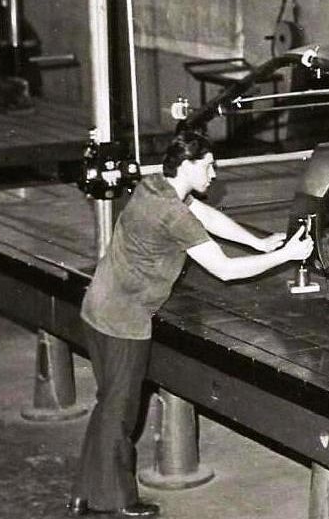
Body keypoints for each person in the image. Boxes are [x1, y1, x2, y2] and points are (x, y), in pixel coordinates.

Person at [69, 130, 314, 517]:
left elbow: (205, 214)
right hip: (123, 320)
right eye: (208, 165)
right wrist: (286, 255)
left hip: (98, 306)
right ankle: (114, 501)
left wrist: (259, 242)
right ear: (186, 165)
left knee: (108, 404)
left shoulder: (156, 186)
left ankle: (86, 492)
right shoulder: (171, 214)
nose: (214, 173)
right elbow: (225, 270)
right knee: (120, 412)